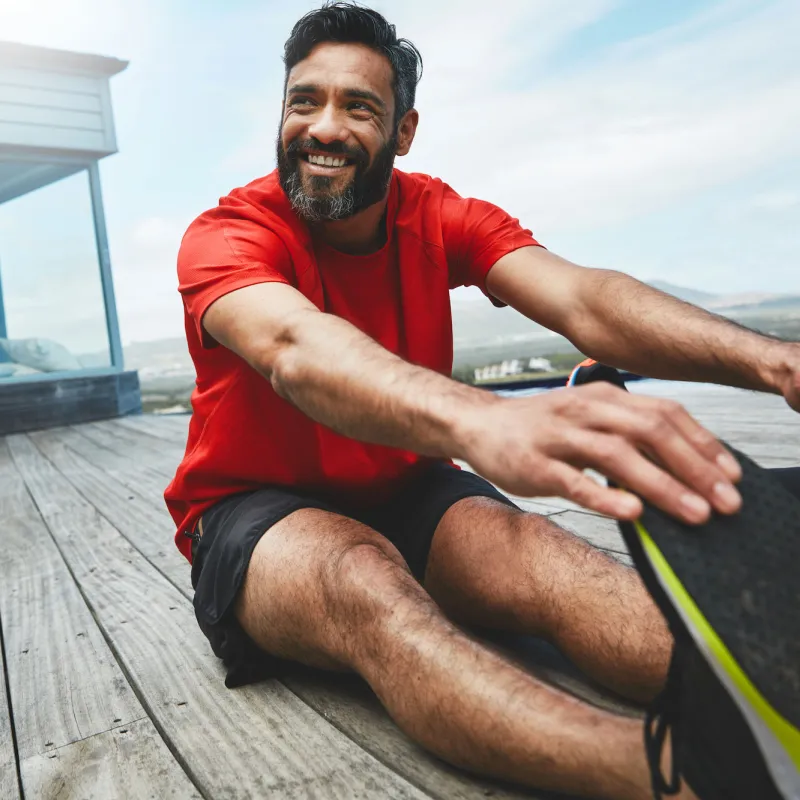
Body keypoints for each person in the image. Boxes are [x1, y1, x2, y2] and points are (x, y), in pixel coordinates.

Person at [165, 4, 800, 798]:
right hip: (252, 510)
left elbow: (585, 301)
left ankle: (787, 701)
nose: (324, 127)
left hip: (405, 483)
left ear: (403, 132)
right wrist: (484, 418)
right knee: (364, 580)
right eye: (305, 101)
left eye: (358, 107)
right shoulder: (227, 233)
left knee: (543, 555)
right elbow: (294, 348)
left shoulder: (439, 214)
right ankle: (698, 779)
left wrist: (778, 364)